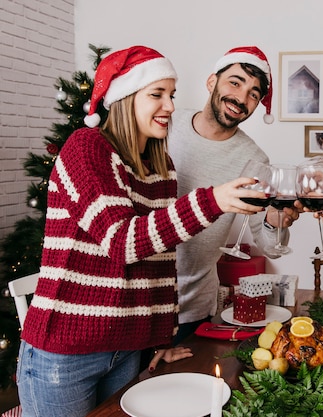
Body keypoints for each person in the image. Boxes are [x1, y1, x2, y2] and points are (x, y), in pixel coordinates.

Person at [16, 46, 269, 417]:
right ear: (123, 97)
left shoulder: (159, 165)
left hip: (127, 350)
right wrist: (212, 200)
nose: (169, 106)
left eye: (172, 95)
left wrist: (157, 340)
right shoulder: (86, 149)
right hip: (65, 354)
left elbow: (158, 262)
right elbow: (123, 243)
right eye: (156, 95)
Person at [168, 46, 299, 344]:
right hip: (140, 303)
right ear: (212, 81)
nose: (241, 98)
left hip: (193, 308)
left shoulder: (254, 159)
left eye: (254, 94)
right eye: (235, 82)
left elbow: (269, 246)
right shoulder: (168, 126)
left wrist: (275, 222)